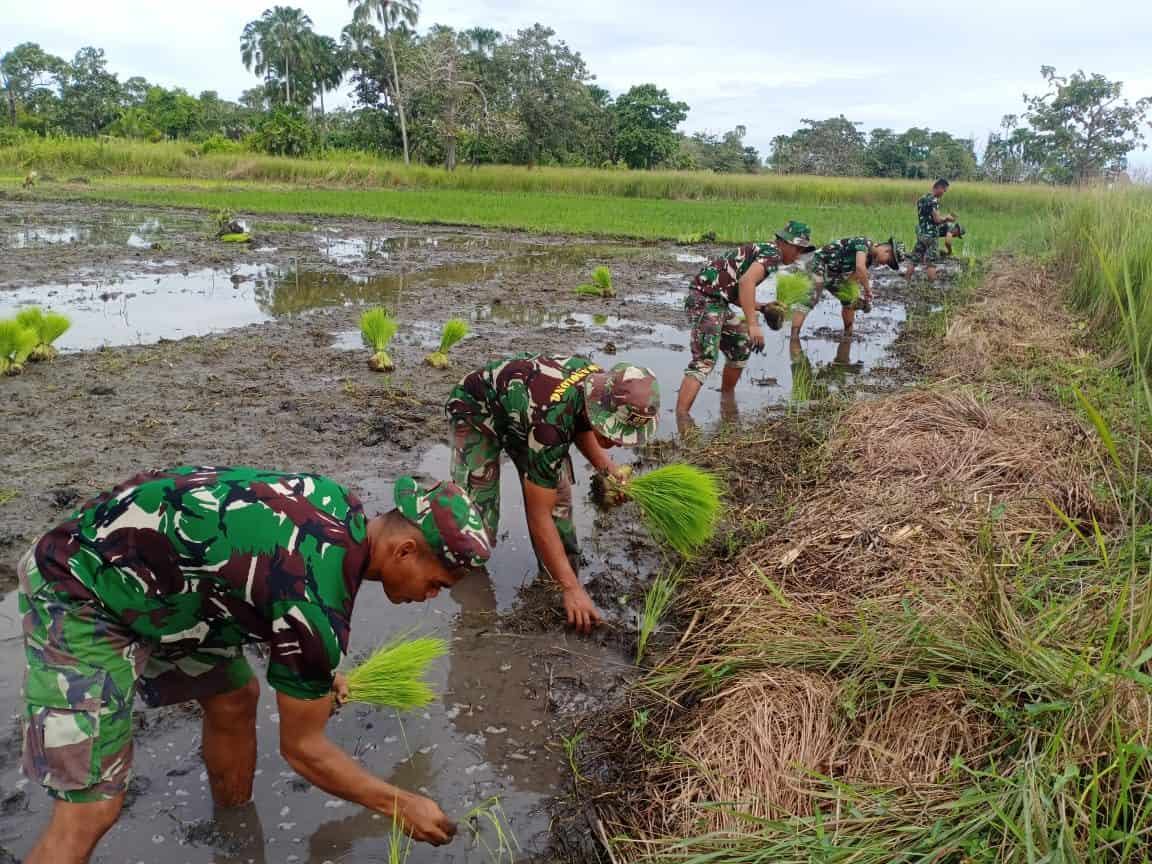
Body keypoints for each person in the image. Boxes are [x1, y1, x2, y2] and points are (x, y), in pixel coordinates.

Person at [16, 466, 491, 864]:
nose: (430, 597)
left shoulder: (338, 506)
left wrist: (315, 672)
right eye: (437, 584)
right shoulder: (315, 609)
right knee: (91, 809)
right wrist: (399, 803)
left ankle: (235, 835)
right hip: (79, 585)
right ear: (404, 550)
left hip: (168, 579)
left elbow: (265, 583)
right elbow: (303, 750)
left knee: (235, 697)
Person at [446, 354, 659, 634]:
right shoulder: (549, 428)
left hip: (528, 415)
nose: (617, 441)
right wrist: (571, 589)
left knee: (559, 504)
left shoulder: (595, 384)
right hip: (476, 411)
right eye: (617, 432)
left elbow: (580, 422)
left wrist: (607, 470)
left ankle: (553, 579)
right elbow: (538, 515)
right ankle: (472, 609)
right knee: (477, 526)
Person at [674, 220, 817, 417]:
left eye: (803, 250)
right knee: (705, 359)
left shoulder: (766, 253)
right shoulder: (773, 254)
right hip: (704, 300)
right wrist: (753, 324)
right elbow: (746, 282)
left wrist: (763, 307)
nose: (798, 255)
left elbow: (736, 292)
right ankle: (681, 418)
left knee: (740, 345)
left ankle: (727, 400)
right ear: (784, 242)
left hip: (718, 302)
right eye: (797, 248)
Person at [789, 237, 904, 345]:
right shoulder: (863, 243)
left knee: (849, 299)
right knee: (812, 297)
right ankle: (794, 337)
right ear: (887, 251)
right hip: (818, 263)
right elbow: (859, 267)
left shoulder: (868, 261)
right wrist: (868, 290)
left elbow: (851, 280)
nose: (885, 264)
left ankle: (848, 334)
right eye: (888, 261)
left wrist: (857, 299)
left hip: (833, 273)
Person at [905, 178, 956, 282]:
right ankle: (931, 287)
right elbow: (937, 220)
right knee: (931, 262)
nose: (944, 193)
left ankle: (906, 282)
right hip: (931, 236)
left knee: (913, 260)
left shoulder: (921, 199)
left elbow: (926, 217)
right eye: (944, 190)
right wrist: (947, 218)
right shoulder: (933, 200)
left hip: (922, 235)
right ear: (939, 187)